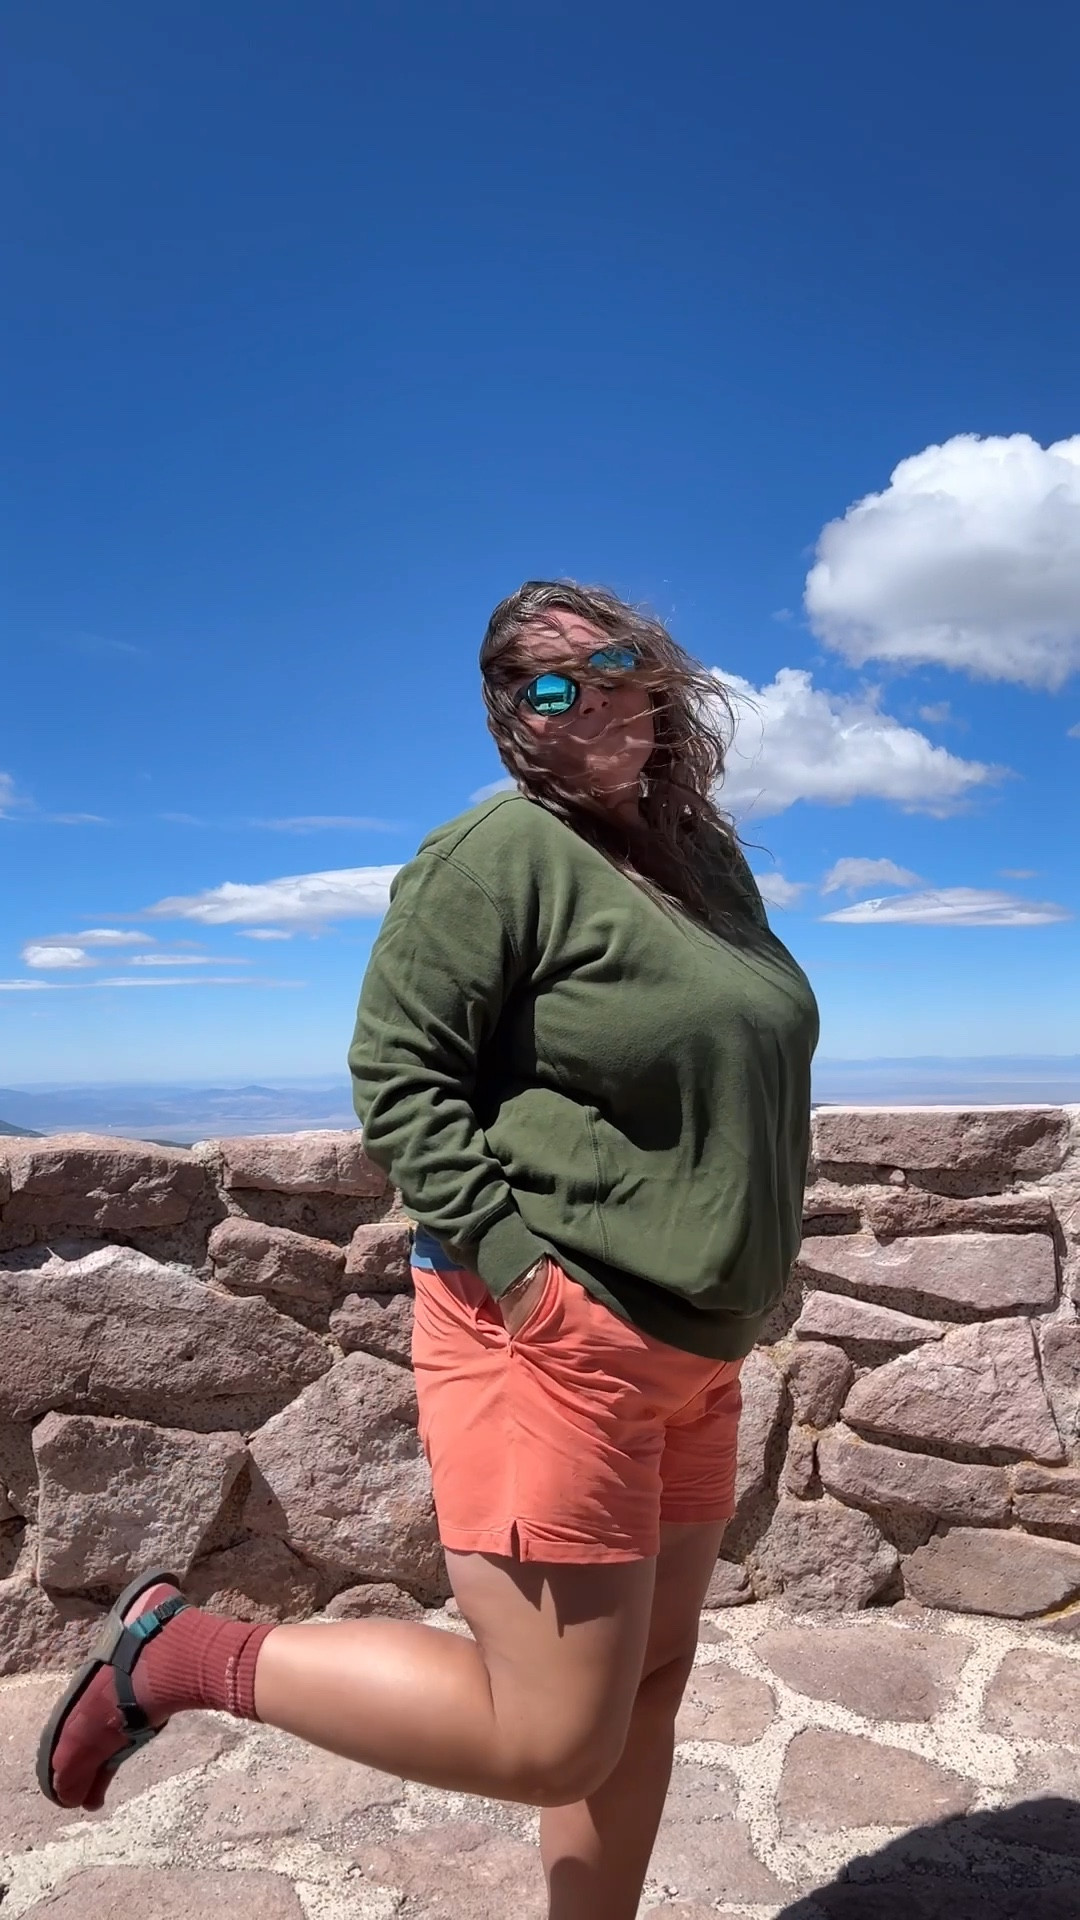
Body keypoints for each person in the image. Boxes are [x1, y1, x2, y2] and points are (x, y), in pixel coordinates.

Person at [37, 580, 818, 1920]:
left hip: (696, 1349)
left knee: (646, 1693)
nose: (574, 703)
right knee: (554, 1732)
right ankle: (177, 1658)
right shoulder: (499, 855)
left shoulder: (703, 866)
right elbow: (400, 1080)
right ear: (514, 720)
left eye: (605, 666)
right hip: (559, 1336)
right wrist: (527, 1276)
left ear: (662, 676)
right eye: (538, 689)